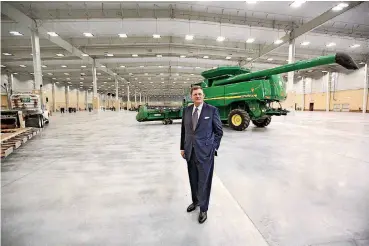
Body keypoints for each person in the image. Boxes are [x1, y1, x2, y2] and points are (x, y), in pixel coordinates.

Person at [180, 85, 223, 224]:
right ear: (191, 97)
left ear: (203, 96)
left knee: (204, 181)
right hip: (190, 151)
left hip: (205, 153)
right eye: (195, 94)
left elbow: (219, 132)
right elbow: (184, 130)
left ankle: (203, 209)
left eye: (200, 94)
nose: (197, 96)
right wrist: (182, 147)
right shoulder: (186, 111)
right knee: (193, 178)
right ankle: (196, 201)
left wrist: (213, 147)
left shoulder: (211, 110)